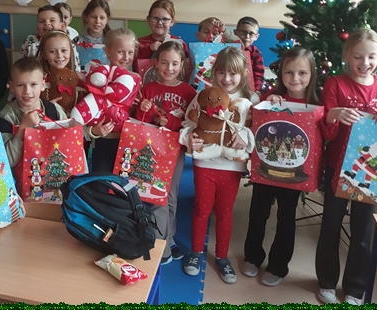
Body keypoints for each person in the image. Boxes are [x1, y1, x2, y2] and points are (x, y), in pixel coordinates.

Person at [315, 29, 377, 305]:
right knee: (331, 225)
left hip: (373, 175)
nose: (364, 62)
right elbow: (327, 131)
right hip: (338, 167)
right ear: (347, 55)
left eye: (371, 56)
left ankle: (355, 287)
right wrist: (334, 115)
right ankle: (326, 281)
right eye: (357, 56)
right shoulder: (335, 83)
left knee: (363, 231)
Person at [242, 47, 320, 286]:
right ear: (281, 74)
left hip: (294, 175)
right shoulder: (271, 97)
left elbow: (326, 135)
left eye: (302, 73)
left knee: (286, 219)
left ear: (311, 74)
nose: (295, 78)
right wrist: (268, 103)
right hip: (265, 170)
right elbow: (253, 122)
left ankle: (278, 266)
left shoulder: (316, 103)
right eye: (289, 72)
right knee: (258, 214)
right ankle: (252, 257)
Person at [180, 47, 256, 284]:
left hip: (231, 168)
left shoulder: (249, 103)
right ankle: (195, 252)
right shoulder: (203, 96)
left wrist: (246, 139)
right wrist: (189, 138)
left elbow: (257, 132)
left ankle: (222, 257)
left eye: (233, 73)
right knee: (202, 209)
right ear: (214, 73)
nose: (227, 78)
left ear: (243, 74)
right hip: (205, 164)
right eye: (222, 72)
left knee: (224, 212)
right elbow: (188, 123)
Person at [135, 41, 196, 265]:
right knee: (151, 194)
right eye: (164, 62)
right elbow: (138, 121)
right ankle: (157, 236)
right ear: (156, 63)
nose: (169, 68)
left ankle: (168, 238)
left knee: (169, 195)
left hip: (174, 150)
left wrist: (170, 122)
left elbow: (192, 122)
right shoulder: (148, 88)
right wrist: (142, 110)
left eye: (174, 64)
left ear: (182, 65)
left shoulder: (188, 92)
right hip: (149, 149)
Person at [86, 28, 141, 173]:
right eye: (120, 52)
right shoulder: (98, 77)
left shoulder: (136, 79)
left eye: (130, 52)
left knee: (123, 181)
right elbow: (88, 108)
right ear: (107, 51)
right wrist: (93, 131)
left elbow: (137, 114)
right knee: (101, 180)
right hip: (103, 138)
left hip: (127, 140)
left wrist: (141, 107)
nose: (126, 57)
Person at [0, 58, 68, 167]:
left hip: (56, 173)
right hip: (22, 176)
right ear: (12, 87)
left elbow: (71, 144)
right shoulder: (6, 117)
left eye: (33, 84)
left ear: (42, 85)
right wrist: (23, 128)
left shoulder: (54, 110)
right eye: (20, 85)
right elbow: (6, 161)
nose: (27, 91)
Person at [135, 0, 190, 73]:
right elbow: (133, 67)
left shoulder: (180, 44)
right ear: (148, 20)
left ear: (172, 22)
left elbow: (185, 71)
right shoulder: (139, 44)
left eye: (165, 19)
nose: (160, 22)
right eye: (155, 18)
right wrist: (148, 49)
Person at [234, 16, 265, 93]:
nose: (247, 37)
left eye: (251, 34)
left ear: (256, 37)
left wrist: (255, 91)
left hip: (247, 90)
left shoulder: (256, 53)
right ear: (235, 32)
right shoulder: (228, 49)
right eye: (244, 32)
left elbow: (259, 75)